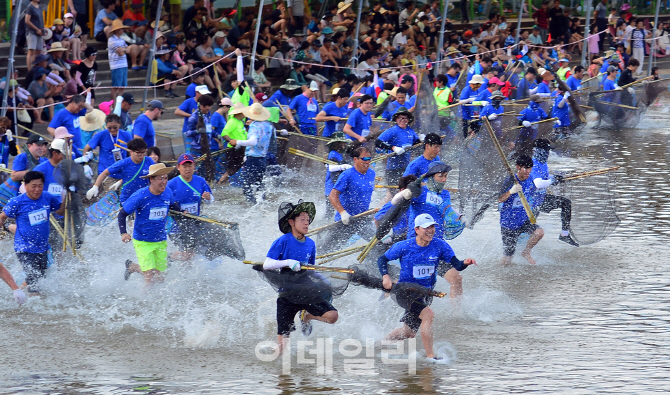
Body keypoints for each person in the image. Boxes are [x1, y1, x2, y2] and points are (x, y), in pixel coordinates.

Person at [378, 213, 475, 360]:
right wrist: (385, 276)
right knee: (428, 315)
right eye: (426, 228)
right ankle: (431, 356)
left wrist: (465, 263)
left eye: (432, 227)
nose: (430, 231)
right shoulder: (404, 246)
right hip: (405, 291)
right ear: (416, 229)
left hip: (426, 293)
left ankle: (379, 345)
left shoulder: (440, 246)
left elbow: (457, 265)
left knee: (408, 332)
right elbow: (382, 259)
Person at [262, 200, 337, 352]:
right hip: (287, 292)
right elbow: (267, 264)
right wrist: (288, 262)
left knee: (332, 316)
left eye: (308, 220)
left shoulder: (310, 244)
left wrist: (323, 280)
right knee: (282, 347)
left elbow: (310, 268)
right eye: (302, 219)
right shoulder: (283, 240)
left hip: (307, 290)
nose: (306, 223)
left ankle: (307, 316)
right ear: (291, 222)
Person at [392, 162, 468, 296]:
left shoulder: (445, 194)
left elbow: (446, 208)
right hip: (417, 246)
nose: (444, 180)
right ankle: (387, 295)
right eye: (441, 176)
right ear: (431, 177)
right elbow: (394, 202)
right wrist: (406, 193)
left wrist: (459, 216)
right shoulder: (419, 191)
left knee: (457, 279)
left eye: (445, 176)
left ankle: (457, 314)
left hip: (436, 245)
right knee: (411, 284)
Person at [0, 171, 65, 294]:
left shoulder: (47, 197)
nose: (37, 189)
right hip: (23, 247)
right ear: (25, 186)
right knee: (34, 278)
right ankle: (35, 305)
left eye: (40, 186)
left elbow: (60, 212)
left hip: (42, 246)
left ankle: (18, 292)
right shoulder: (17, 202)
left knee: (40, 275)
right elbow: (2, 217)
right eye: (34, 186)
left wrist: (66, 197)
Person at [119, 163, 178, 284]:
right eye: (160, 178)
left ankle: (132, 267)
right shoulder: (140, 196)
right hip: (143, 241)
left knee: (160, 277)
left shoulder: (167, 192)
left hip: (160, 239)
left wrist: (182, 211)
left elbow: (173, 205)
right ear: (151, 179)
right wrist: (123, 233)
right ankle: (144, 301)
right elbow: (122, 214)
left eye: (166, 178)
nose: (164, 182)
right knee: (149, 277)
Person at [324, 146, 376, 253]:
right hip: (346, 220)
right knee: (328, 250)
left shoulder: (372, 173)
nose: (368, 162)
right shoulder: (347, 175)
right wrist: (343, 213)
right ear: (355, 159)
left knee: (377, 243)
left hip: (362, 219)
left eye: (370, 159)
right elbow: (332, 195)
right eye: (364, 159)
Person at [530, 139, 578, 246]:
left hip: (541, 198)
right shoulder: (533, 164)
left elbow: (545, 178)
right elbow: (538, 183)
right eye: (546, 150)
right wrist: (552, 181)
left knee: (566, 203)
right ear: (539, 150)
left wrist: (555, 177)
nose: (548, 153)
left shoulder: (543, 163)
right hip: (532, 201)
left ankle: (564, 235)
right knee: (528, 227)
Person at [498, 154, 543, 265]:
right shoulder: (510, 180)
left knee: (539, 233)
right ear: (518, 167)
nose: (528, 171)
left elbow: (531, 195)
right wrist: (510, 191)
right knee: (508, 260)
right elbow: (499, 199)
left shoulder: (530, 179)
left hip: (523, 219)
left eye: (530, 168)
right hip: (509, 223)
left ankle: (526, 252)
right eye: (526, 168)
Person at [167, 153, 213, 260]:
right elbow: (164, 203)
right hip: (176, 226)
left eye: (190, 166)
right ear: (178, 167)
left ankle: (184, 272)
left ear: (194, 167)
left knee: (191, 253)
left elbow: (210, 201)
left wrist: (208, 198)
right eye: (184, 166)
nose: (188, 169)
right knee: (187, 253)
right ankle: (168, 259)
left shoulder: (200, 181)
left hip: (194, 223)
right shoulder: (171, 184)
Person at [87, 138, 155, 203]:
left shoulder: (149, 161)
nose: (141, 155)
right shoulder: (123, 163)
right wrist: (95, 186)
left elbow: (154, 174)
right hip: (128, 198)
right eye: (138, 153)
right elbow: (105, 173)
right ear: (131, 152)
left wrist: (120, 181)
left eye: (143, 152)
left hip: (144, 196)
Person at [235, 103, 275, 203]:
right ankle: (262, 203)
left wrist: (237, 142)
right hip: (263, 158)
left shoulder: (254, 126)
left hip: (253, 159)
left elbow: (253, 142)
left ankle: (252, 205)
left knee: (246, 185)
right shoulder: (268, 125)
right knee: (259, 184)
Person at [376, 107, 420, 188]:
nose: (403, 120)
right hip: (393, 169)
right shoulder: (392, 131)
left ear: (408, 119)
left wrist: (423, 140)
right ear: (396, 119)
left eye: (405, 118)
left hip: (406, 168)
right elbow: (378, 142)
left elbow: (417, 144)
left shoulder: (410, 131)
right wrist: (393, 148)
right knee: (393, 193)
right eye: (401, 118)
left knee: (404, 192)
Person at [323, 132, 352, 218]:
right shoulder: (333, 153)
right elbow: (331, 168)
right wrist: (344, 166)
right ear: (336, 144)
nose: (344, 144)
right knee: (329, 212)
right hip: (330, 188)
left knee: (335, 210)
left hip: (336, 187)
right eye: (342, 142)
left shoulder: (339, 154)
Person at [218, 102, 248, 184]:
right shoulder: (232, 121)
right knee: (231, 170)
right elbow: (224, 133)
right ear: (240, 113)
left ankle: (226, 183)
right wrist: (231, 141)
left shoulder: (240, 122)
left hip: (241, 148)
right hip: (234, 149)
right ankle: (220, 183)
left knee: (236, 169)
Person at [25, 0, 45, 69]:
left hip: (40, 32)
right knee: (31, 51)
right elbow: (27, 20)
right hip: (32, 32)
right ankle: (30, 69)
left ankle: (36, 68)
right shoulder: (30, 7)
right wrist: (36, 29)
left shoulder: (39, 7)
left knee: (39, 51)